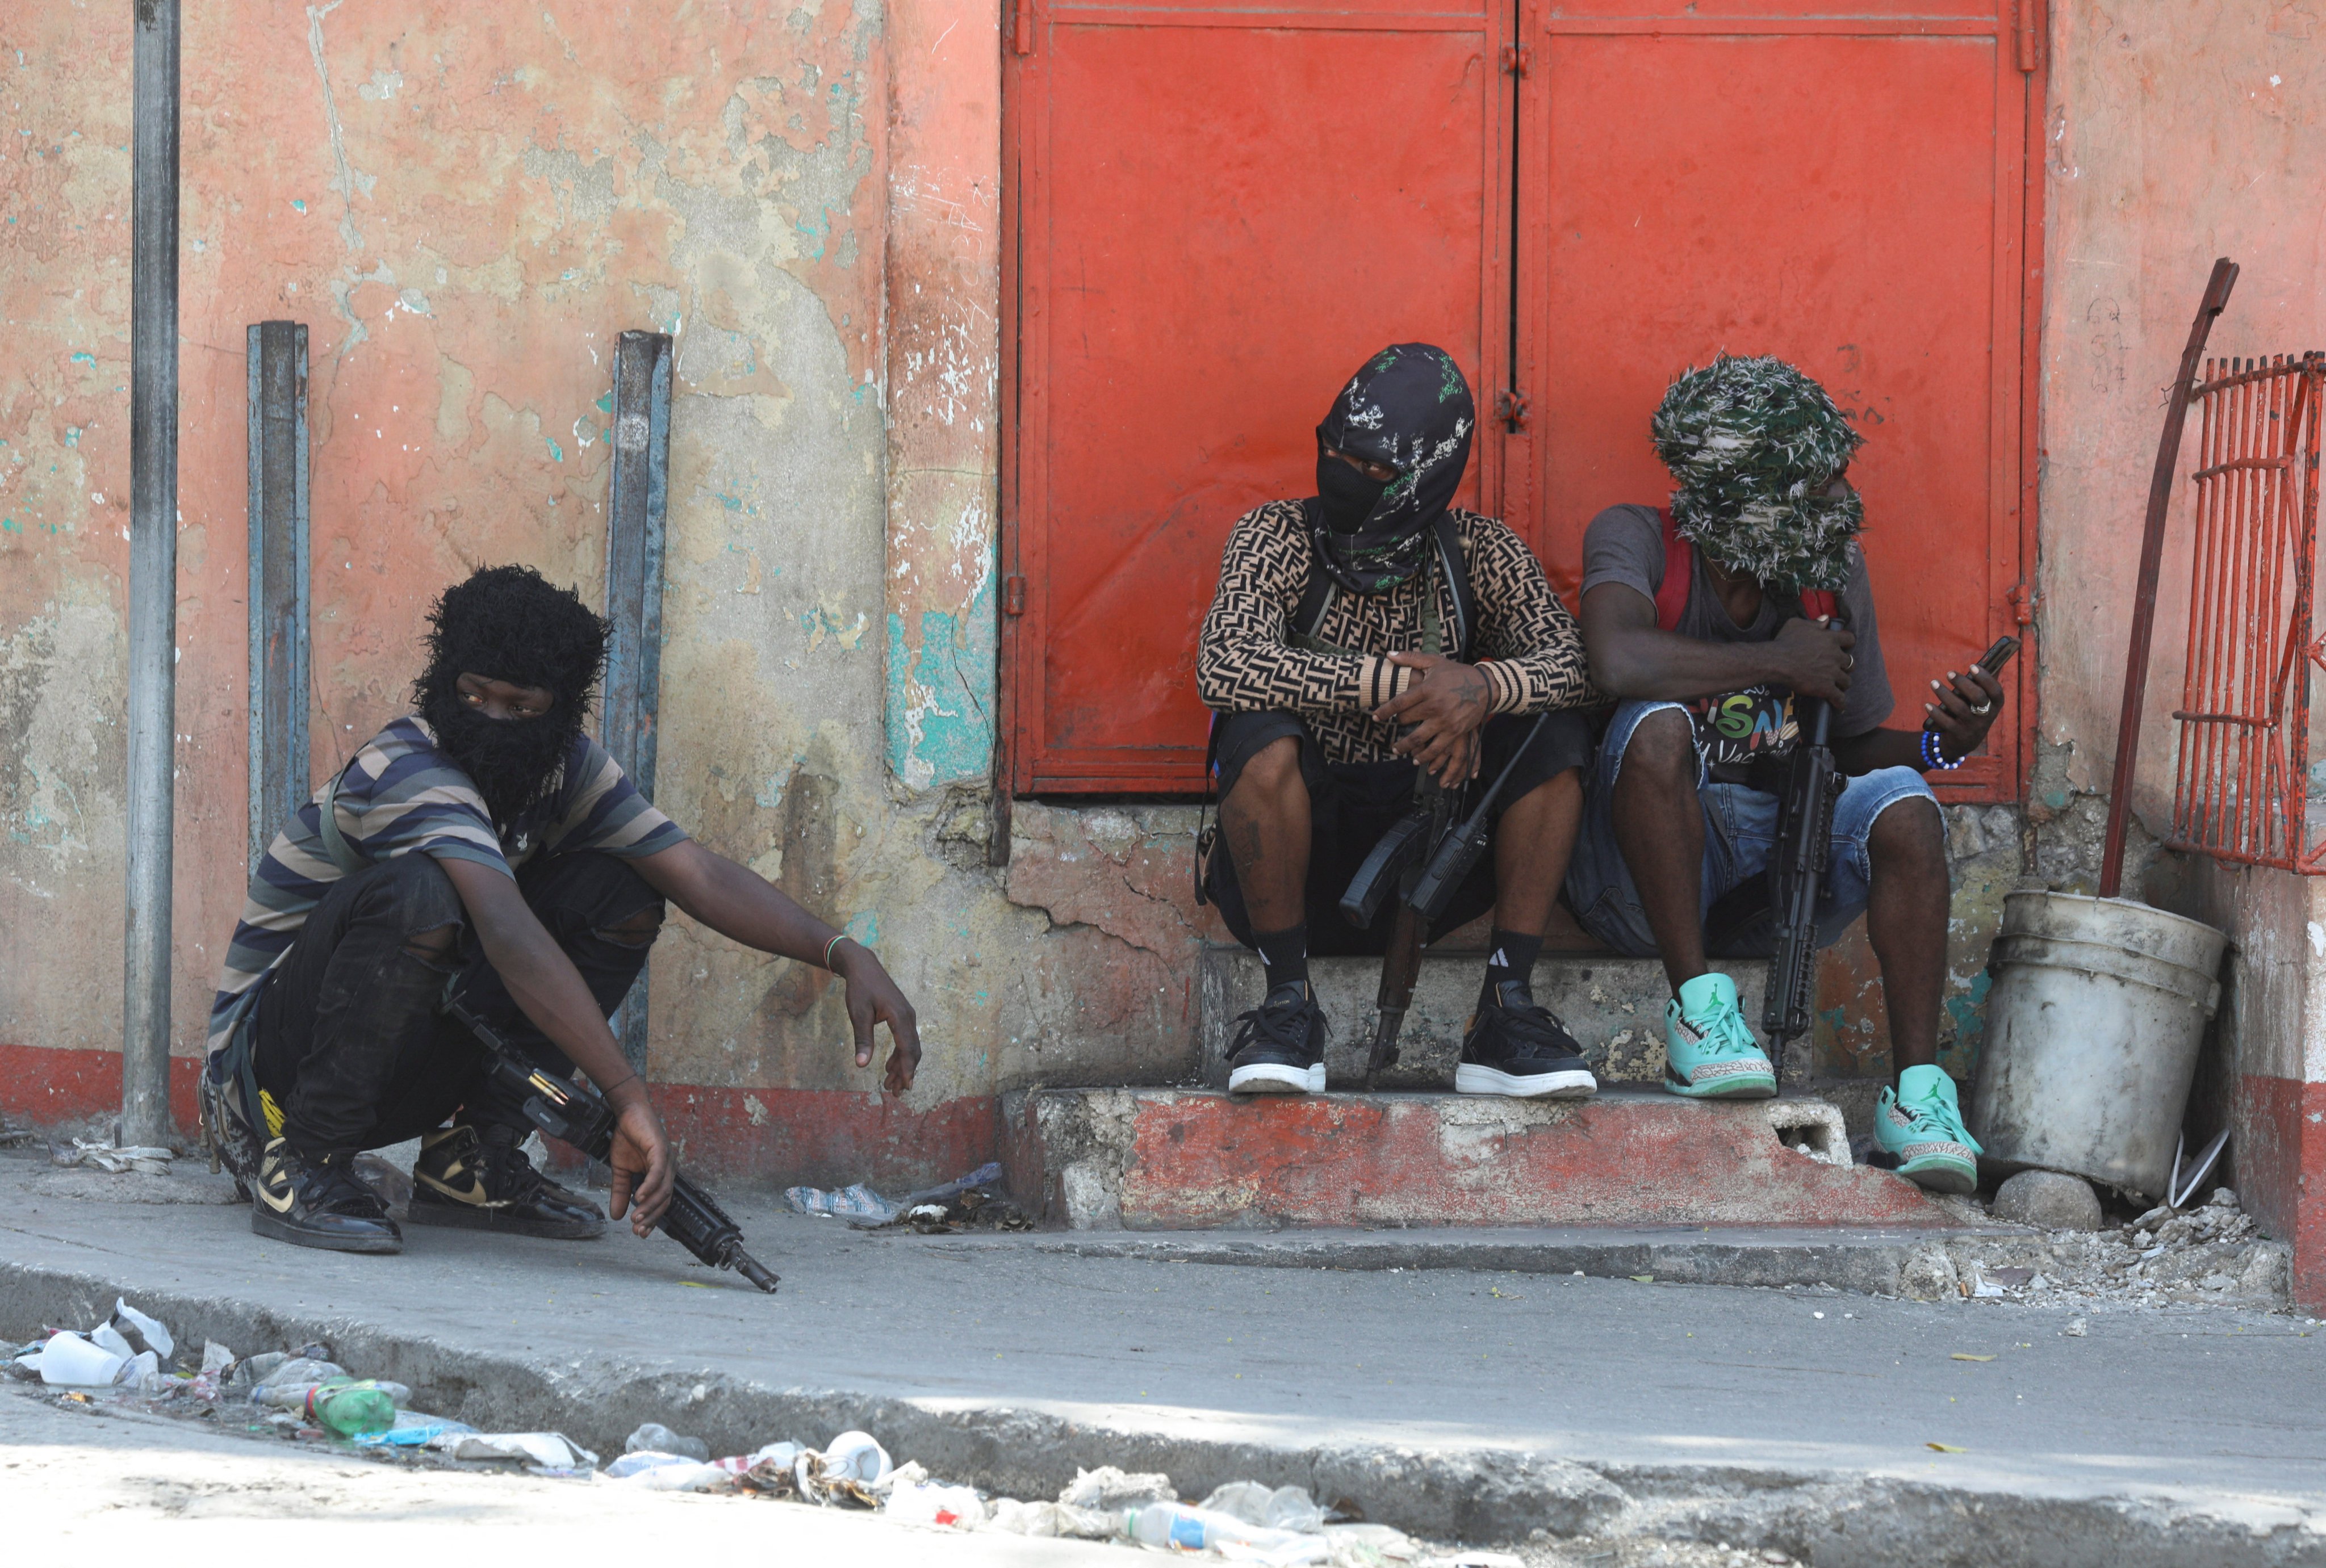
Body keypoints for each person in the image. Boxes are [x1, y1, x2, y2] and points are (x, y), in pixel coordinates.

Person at [201, 565, 922, 1254]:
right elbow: (510, 934)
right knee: (421, 892)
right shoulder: (409, 767)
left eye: (522, 708)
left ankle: (471, 1161)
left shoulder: (563, 771)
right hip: (274, 1075)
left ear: (560, 710)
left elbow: (694, 870)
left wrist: (842, 951)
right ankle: (303, 1162)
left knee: (622, 890)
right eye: (475, 694)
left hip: (403, 1056)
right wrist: (625, 1093)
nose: (491, 720)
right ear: (444, 681)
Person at [1567, 354, 2003, 1192]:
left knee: (1906, 804)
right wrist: (1775, 660)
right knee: (1655, 728)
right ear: (1745, 492)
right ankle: (1699, 1013)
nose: (1842, 502)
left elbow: (1852, 744)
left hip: (1774, 877)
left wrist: (1946, 746)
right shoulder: (1635, 537)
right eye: (1819, 484)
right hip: (1639, 883)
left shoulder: (1829, 572)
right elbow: (1617, 659)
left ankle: (1916, 1099)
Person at [1195, 343, 1601, 1099]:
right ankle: (1288, 1002)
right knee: (1254, 727)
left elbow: (1578, 665)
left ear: (1429, 479)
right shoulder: (1276, 536)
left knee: (1554, 737)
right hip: (1298, 856)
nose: (1347, 476)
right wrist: (1392, 684)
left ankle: (1505, 1010)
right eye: (1336, 453)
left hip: (1435, 864)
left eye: (1377, 471)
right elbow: (1225, 661)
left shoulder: (1481, 551)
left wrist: (1482, 687)